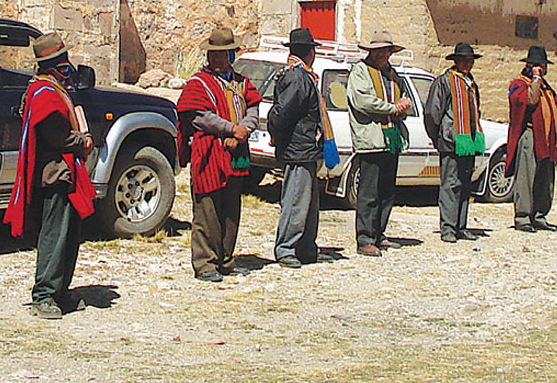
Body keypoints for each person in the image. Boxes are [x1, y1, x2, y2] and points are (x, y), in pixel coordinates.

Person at [4, 32, 96, 318]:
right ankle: (44, 294)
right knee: (55, 235)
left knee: (69, 235)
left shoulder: (53, 87)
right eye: (62, 61)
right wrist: (84, 141)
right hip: (54, 174)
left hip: (65, 173)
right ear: (54, 64)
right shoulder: (44, 93)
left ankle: (61, 291)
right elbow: (56, 136)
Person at [176, 26, 261, 282]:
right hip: (210, 153)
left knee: (231, 208)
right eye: (214, 54)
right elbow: (198, 117)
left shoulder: (241, 83)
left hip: (237, 152)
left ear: (231, 55)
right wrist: (229, 129)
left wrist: (244, 130)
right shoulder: (198, 84)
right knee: (207, 208)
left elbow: (254, 108)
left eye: (223, 54)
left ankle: (226, 258)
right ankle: (205, 263)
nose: (218, 59)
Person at [266, 26, 334, 268]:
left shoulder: (301, 75)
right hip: (298, 148)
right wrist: (277, 134)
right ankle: (286, 248)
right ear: (310, 53)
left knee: (308, 203)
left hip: (304, 148)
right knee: (296, 200)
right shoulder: (297, 77)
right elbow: (283, 113)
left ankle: (306, 248)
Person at [346, 31, 413, 256]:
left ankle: (379, 233)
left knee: (387, 191)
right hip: (371, 139)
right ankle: (364, 238)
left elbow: (405, 99)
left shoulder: (393, 75)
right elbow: (363, 101)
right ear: (371, 51)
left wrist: (404, 106)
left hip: (391, 139)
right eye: (379, 50)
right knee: (369, 193)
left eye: (386, 50)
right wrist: (393, 108)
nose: (382, 54)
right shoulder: (361, 72)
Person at [424, 42, 485, 243]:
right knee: (450, 184)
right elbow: (433, 113)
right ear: (455, 61)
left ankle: (461, 225)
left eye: (470, 61)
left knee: (465, 184)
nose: (467, 64)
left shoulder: (470, 83)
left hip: (468, 141)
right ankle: (448, 227)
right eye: (464, 60)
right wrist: (437, 136)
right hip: (451, 140)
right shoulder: (445, 82)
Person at [506, 44, 557, 232]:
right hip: (530, 136)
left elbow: (556, 102)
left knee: (544, 179)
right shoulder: (519, 84)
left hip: (546, 137)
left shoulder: (544, 87)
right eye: (538, 65)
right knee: (526, 176)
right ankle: (523, 217)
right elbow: (529, 101)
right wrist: (536, 79)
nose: (542, 68)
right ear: (530, 66)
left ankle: (539, 215)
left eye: (544, 66)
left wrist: (540, 81)